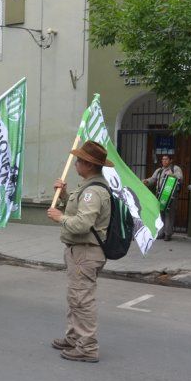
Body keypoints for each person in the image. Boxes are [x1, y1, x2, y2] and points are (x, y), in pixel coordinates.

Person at [46, 140, 112, 363]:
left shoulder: (92, 191)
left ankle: (87, 346)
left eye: (79, 161)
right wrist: (64, 196)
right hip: (79, 251)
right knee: (76, 296)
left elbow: (83, 224)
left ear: (89, 165)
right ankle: (74, 337)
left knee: (82, 299)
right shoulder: (87, 187)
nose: (75, 164)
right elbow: (80, 212)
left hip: (86, 252)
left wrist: (59, 217)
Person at [142, 154, 183, 241]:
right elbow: (153, 179)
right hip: (160, 195)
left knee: (169, 215)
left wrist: (173, 175)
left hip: (170, 196)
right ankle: (161, 233)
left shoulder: (175, 169)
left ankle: (168, 234)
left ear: (170, 160)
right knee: (161, 215)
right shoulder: (159, 170)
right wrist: (146, 181)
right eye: (163, 159)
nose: (164, 161)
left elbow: (180, 177)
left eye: (166, 159)